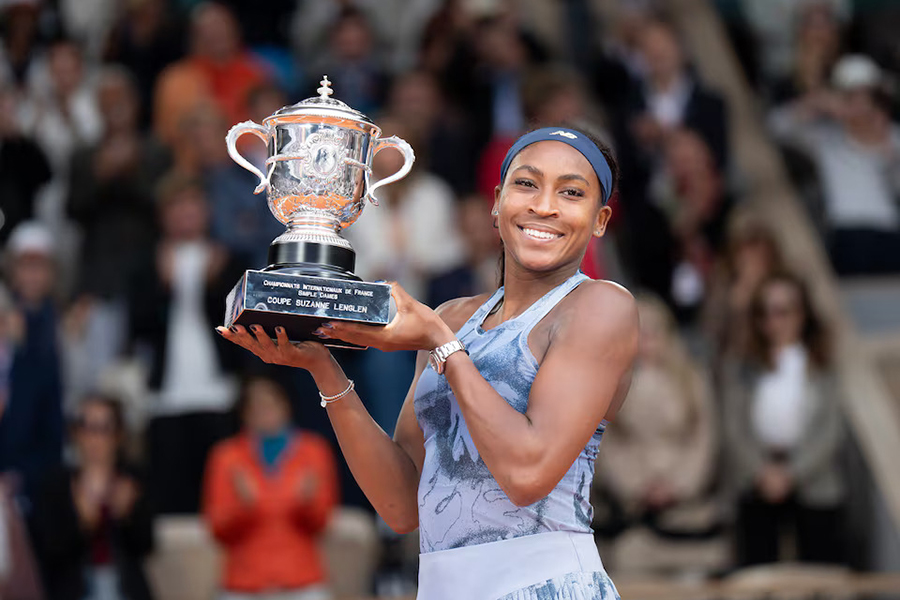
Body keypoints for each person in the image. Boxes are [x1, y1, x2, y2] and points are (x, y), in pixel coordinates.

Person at [219, 126, 639, 599]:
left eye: (571, 192)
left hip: (546, 584)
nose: (544, 205)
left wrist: (441, 342)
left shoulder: (600, 306)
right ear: (496, 202)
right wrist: (323, 367)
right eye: (527, 183)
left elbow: (528, 475)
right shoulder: (452, 317)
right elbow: (401, 505)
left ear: (600, 220)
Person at [722, 271, 846, 565]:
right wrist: (761, 471)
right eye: (764, 312)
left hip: (812, 480)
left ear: (802, 314)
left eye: (783, 311)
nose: (773, 321)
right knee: (759, 574)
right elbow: (733, 426)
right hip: (757, 478)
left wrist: (792, 473)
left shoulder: (822, 364)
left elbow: (830, 430)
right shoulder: (741, 365)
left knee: (819, 572)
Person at [203, 376, 339, 600]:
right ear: (244, 413)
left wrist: (305, 504)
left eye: (271, 404)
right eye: (256, 407)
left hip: (302, 582)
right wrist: (244, 507)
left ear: (287, 406)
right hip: (243, 584)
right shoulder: (225, 457)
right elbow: (217, 528)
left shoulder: (314, 451)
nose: (265, 412)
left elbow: (322, 522)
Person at [768, 53, 900, 275]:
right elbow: (775, 127)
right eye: (852, 96)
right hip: (847, 233)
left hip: (890, 231)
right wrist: (817, 102)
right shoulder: (826, 138)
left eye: (868, 96)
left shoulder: (894, 136)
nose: (861, 104)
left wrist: (886, 147)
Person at [31, 395, 154, 600]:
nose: (94, 438)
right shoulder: (56, 484)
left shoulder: (132, 480)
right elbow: (50, 552)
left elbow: (146, 545)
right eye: (87, 428)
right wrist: (82, 520)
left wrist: (127, 515)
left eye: (104, 428)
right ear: (76, 434)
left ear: (118, 435)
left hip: (124, 588)